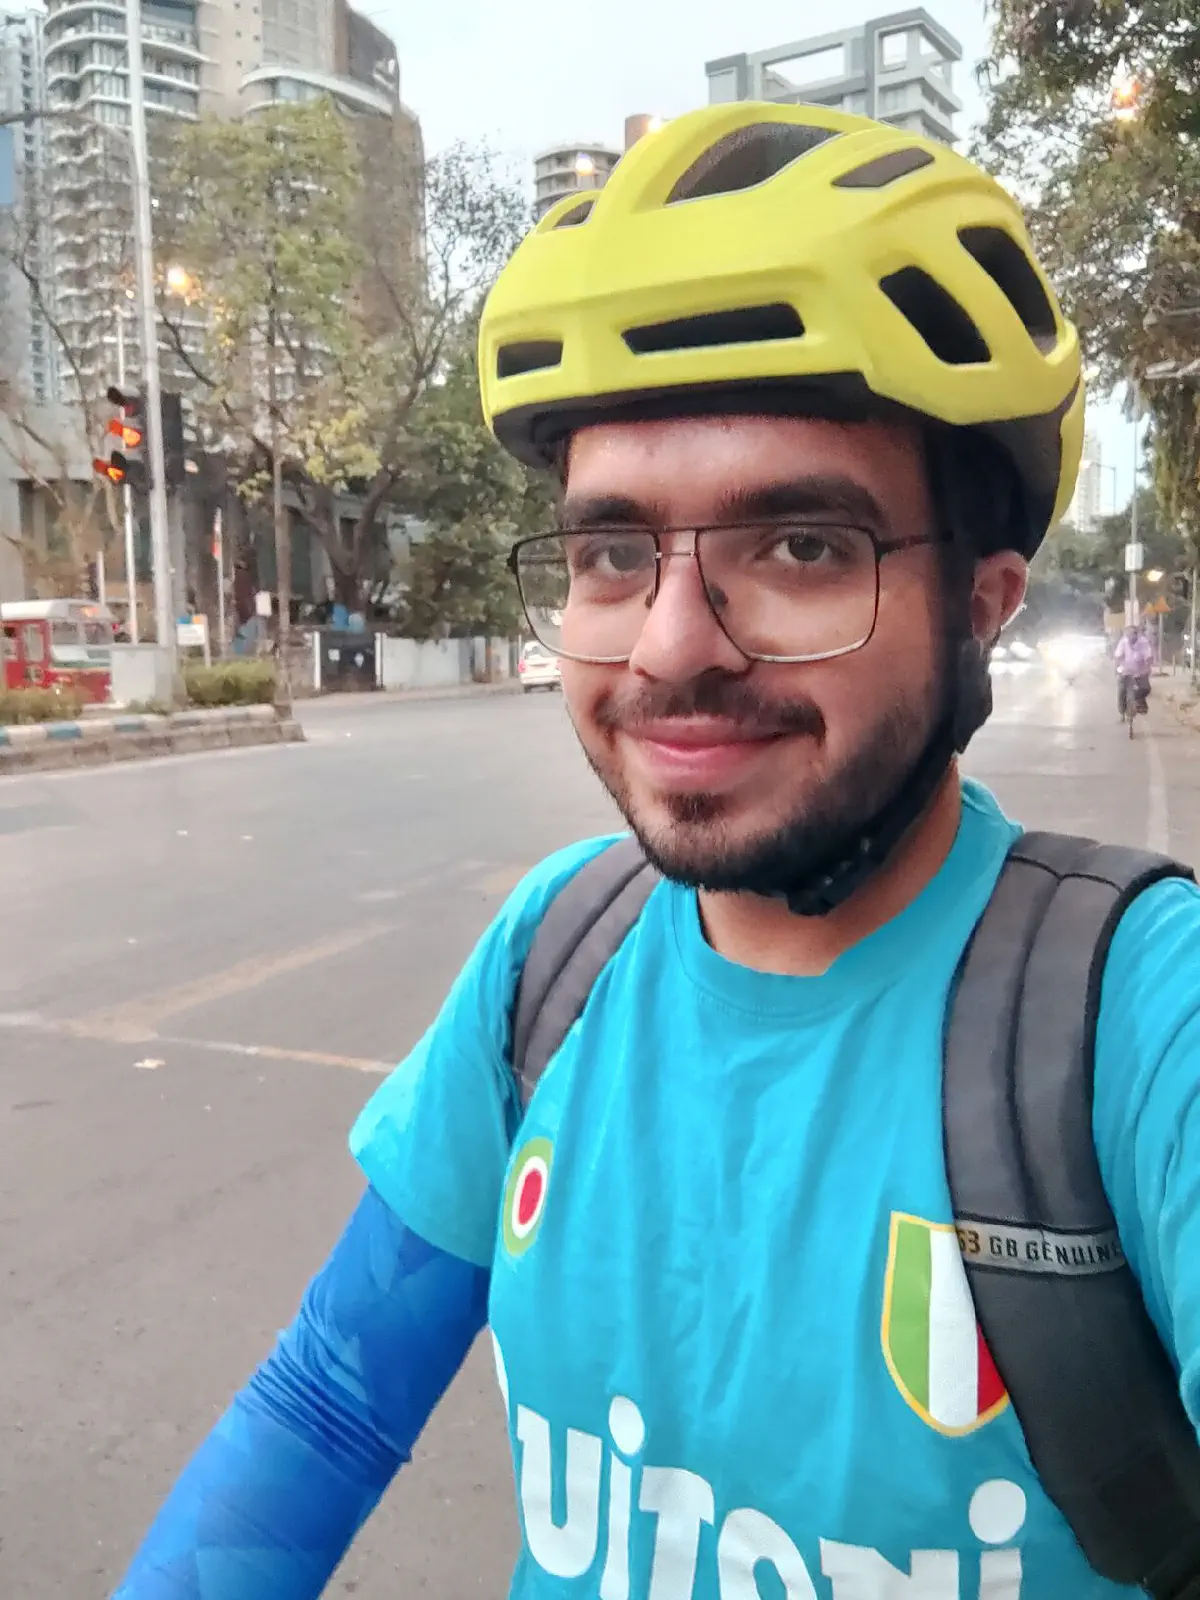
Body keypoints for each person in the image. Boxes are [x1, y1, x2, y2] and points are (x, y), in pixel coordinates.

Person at [113, 106, 1200, 1599]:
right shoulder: (557, 957)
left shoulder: (1144, 1022)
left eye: (803, 547)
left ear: (983, 602)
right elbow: (329, 1403)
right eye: (616, 553)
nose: (673, 648)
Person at [1115, 622, 1154, 718]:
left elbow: (1148, 656)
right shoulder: (1123, 642)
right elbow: (1118, 655)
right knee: (1121, 690)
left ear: (1137, 634)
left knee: (1146, 688)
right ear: (1126, 635)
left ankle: (1140, 702)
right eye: (1128, 635)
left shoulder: (1143, 642)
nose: (1131, 638)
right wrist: (1119, 666)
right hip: (1126, 670)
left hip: (1140, 671)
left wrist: (1148, 666)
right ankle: (1122, 711)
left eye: (1133, 634)